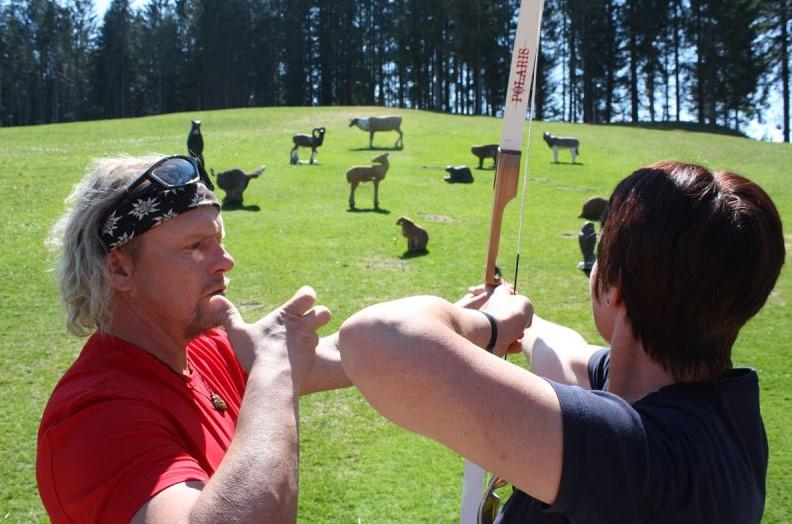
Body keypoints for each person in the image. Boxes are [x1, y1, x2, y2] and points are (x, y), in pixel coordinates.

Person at [339, 161, 785, 523]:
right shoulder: (719, 413)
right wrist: (517, 314)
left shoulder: (640, 457)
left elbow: (377, 339)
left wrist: (489, 326)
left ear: (616, 289)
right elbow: (567, 353)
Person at [37, 155, 350, 524]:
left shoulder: (204, 348)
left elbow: (342, 356)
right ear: (120, 267)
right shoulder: (95, 418)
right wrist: (275, 371)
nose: (226, 260)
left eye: (219, 240)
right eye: (195, 245)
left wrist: (403, 323)